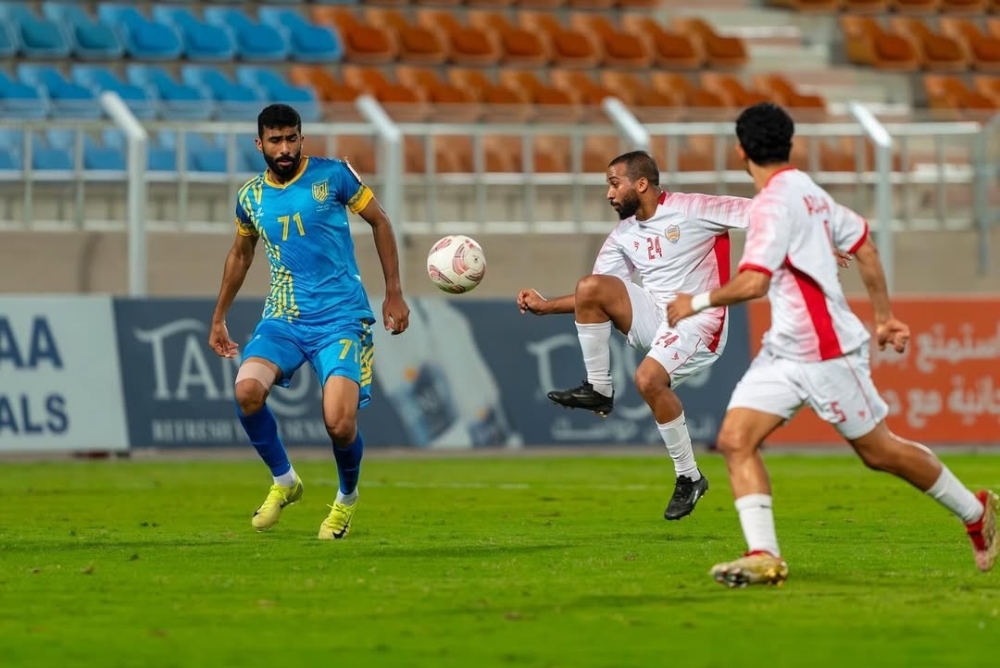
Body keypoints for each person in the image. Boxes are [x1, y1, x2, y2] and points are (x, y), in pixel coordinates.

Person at [667, 101, 998, 587]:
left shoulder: (772, 205)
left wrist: (692, 302)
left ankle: (977, 510)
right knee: (737, 439)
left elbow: (754, 282)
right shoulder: (809, 192)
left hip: (827, 352)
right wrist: (884, 317)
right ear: (790, 144)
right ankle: (765, 556)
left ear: (740, 150)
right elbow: (864, 244)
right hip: (785, 351)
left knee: (879, 452)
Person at [518, 150, 760, 522]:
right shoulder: (624, 235)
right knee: (591, 286)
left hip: (698, 320)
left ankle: (689, 477)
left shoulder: (694, 208)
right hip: (656, 315)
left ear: (641, 184)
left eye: (614, 184)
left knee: (648, 379)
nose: (609, 194)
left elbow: (765, 213)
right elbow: (592, 297)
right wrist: (545, 305)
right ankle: (599, 388)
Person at [208, 103, 410, 540]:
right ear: (259, 144)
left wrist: (393, 290)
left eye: (291, 138)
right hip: (284, 319)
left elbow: (380, 221)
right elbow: (241, 254)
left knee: (339, 422)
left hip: (340, 319)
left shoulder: (333, 175)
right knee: (246, 390)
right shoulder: (250, 197)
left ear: (302, 138)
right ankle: (285, 481)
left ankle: (346, 500)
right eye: (275, 141)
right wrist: (219, 316)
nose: (284, 149)